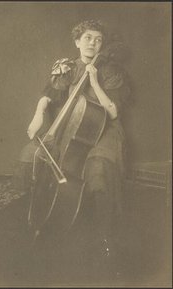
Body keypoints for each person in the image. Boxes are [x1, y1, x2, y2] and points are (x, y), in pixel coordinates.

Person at [13, 19, 131, 282]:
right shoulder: (66, 67)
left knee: (100, 166)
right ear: (77, 41)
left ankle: (105, 237)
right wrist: (38, 114)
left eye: (98, 39)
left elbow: (111, 111)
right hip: (72, 127)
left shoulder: (110, 70)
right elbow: (49, 96)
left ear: (103, 44)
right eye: (88, 37)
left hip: (105, 130)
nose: (92, 43)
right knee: (31, 154)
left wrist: (94, 80)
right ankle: (32, 213)